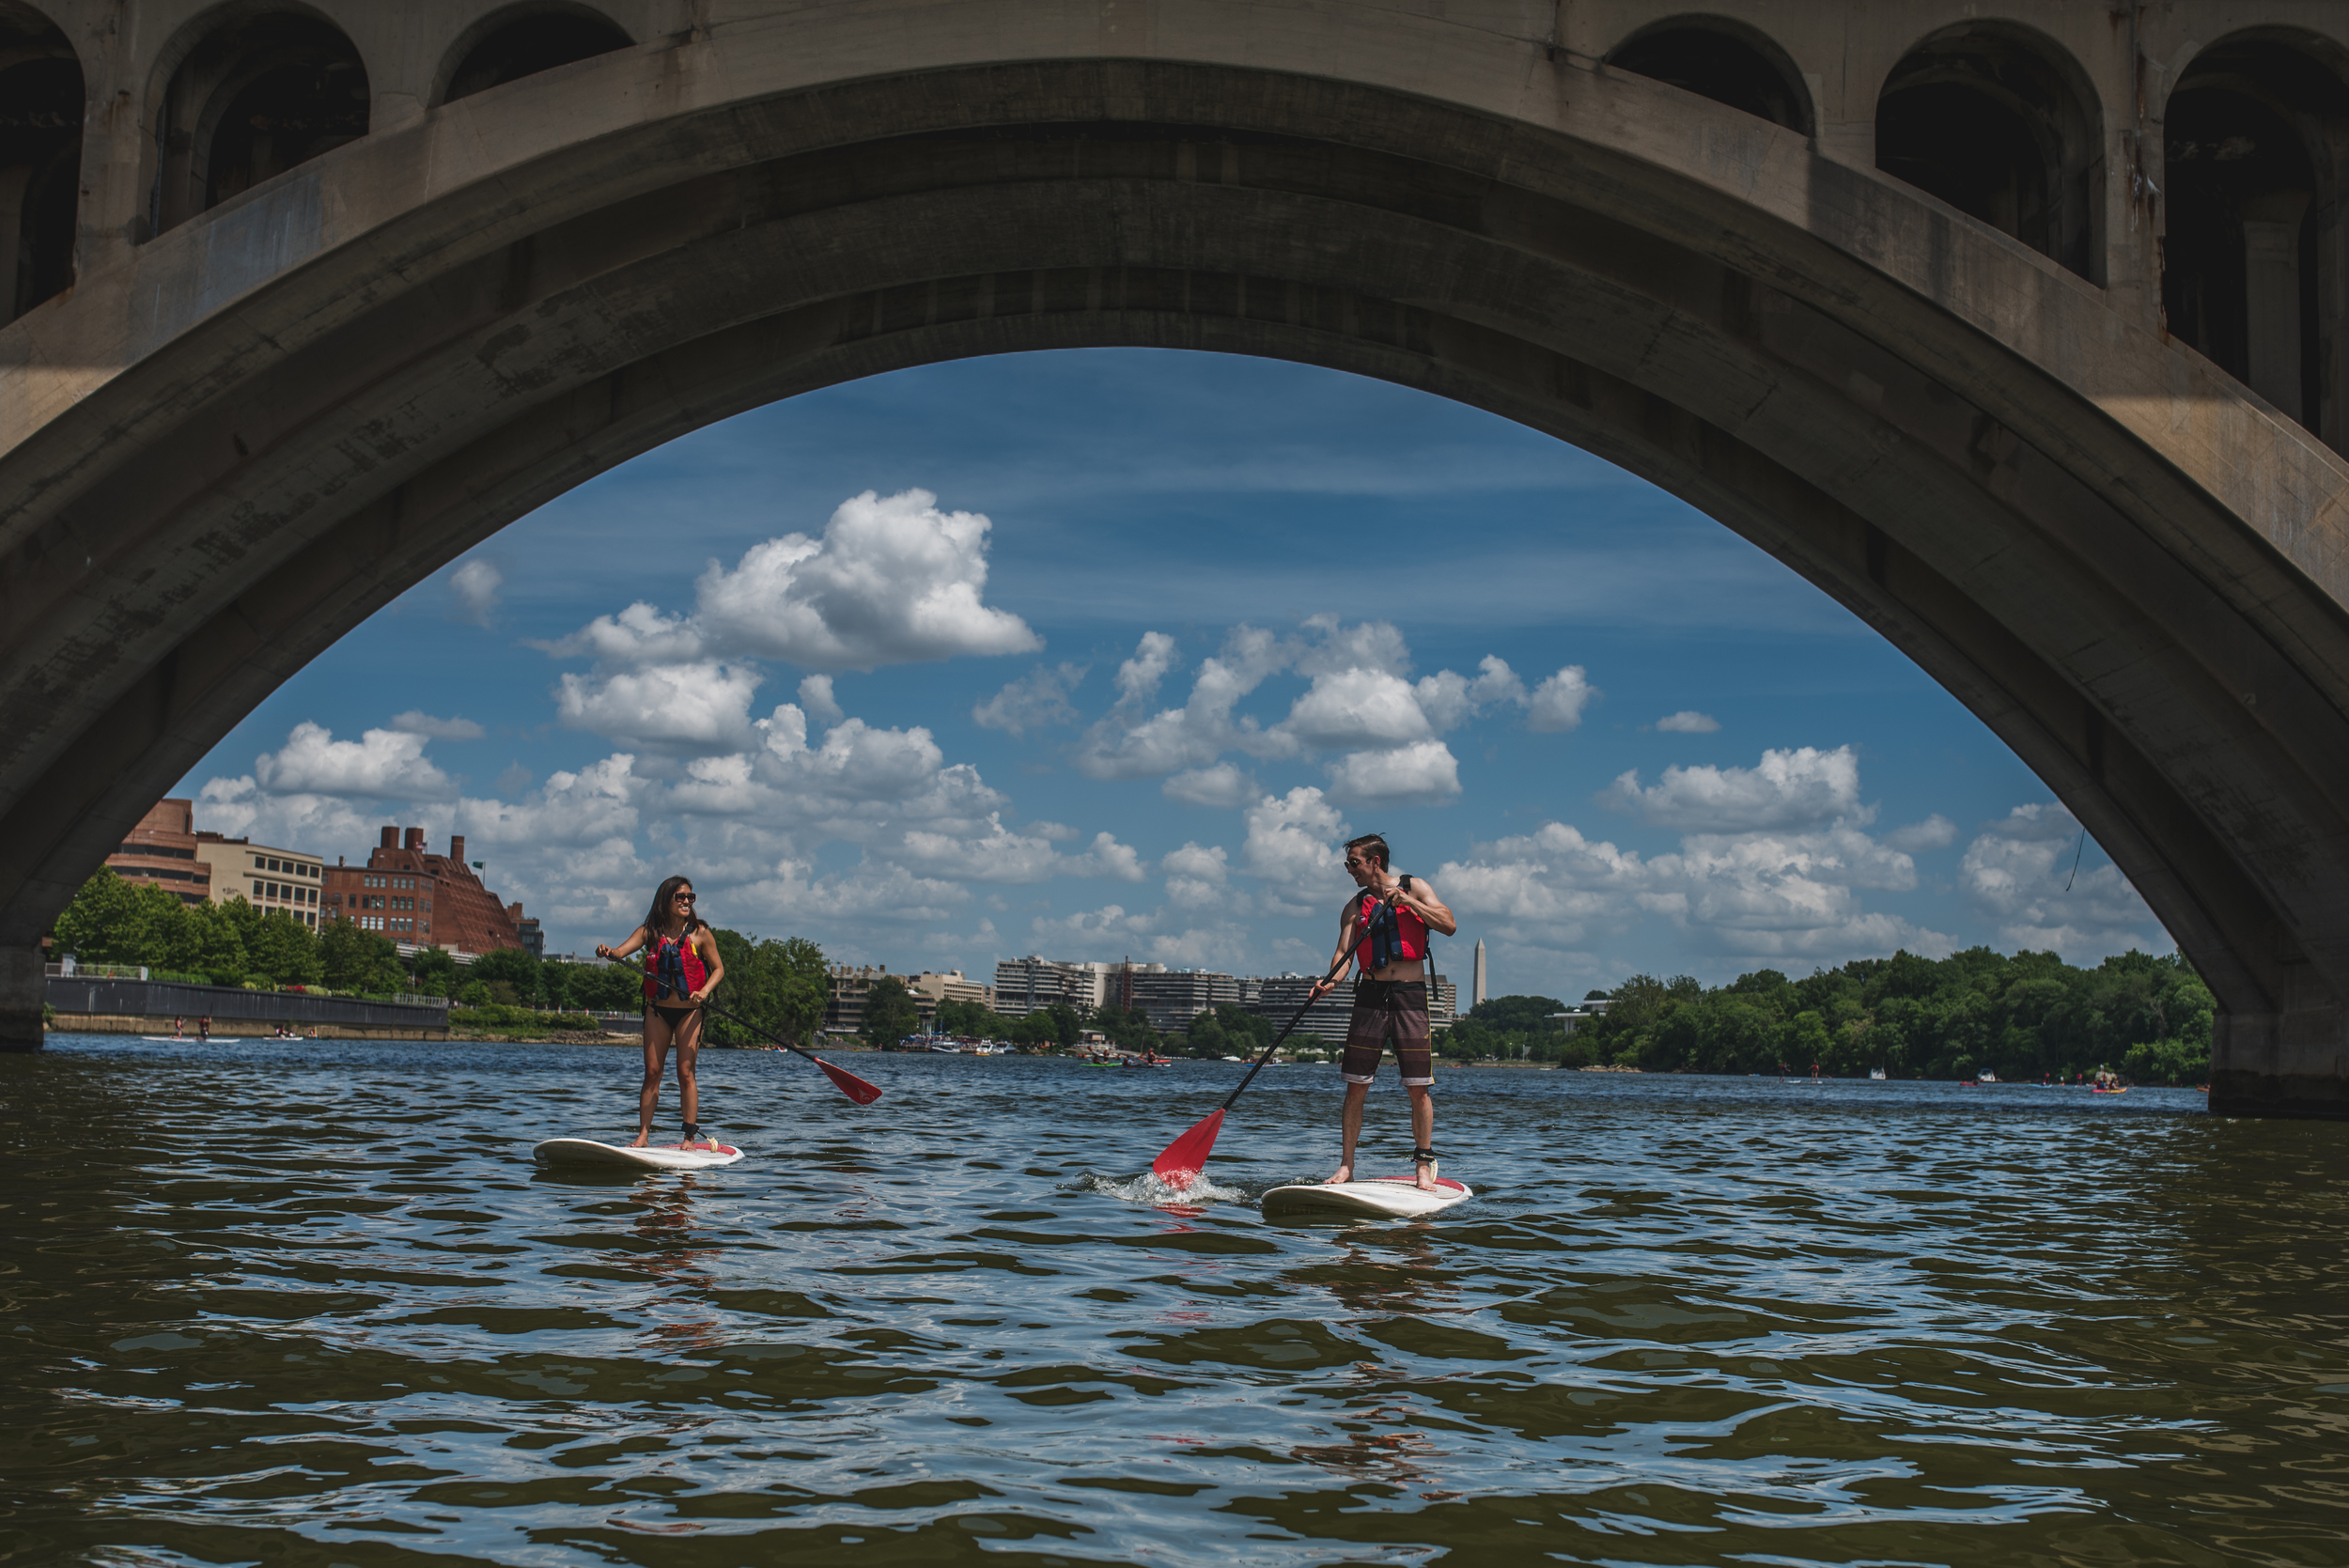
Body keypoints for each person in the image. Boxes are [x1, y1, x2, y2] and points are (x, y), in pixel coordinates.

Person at [1310, 832, 1457, 1190]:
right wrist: (1330, 981)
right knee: (1356, 1086)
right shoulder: (1354, 906)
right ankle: (1346, 1166)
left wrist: (1408, 902)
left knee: (1418, 1087)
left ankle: (1423, 1165)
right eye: (1348, 864)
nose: (1350, 870)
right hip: (1370, 995)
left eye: (1354, 863)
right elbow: (1342, 956)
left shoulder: (1416, 887)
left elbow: (1448, 924)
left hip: (1409, 995)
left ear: (1375, 862)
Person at [595, 876, 727, 1150]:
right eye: (680, 897)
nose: (687, 902)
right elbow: (620, 951)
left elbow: (718, 969)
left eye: (691, 897)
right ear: (665, 900)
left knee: (685, 1072)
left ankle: (689, 1138)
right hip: (658, 1011)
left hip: (689, 1012)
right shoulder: (649, 932)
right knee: (652, 1071)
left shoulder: (699, 933)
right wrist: (609, 952)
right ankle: (643, 1135)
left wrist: (703, 991)